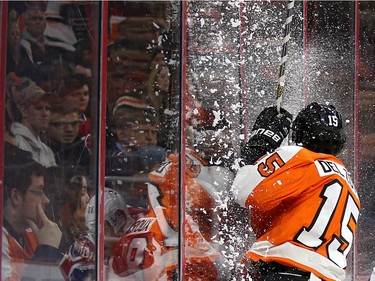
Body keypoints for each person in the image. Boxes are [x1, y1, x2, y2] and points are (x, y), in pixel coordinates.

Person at [232, 103, 360, 281]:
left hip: (288, 270)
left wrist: (260, 143)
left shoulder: (301, 158)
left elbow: (242, 190)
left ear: (300, 133)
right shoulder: (347, 182)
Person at [112, 105, 237, 280]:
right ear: (200, 135)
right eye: (219, 130)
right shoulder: (192, 170)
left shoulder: (178, 164)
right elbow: (183, 218)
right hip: (178, 256)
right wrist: (214, 258)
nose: (228, 138)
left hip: (163, 250)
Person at [2, 143, 63, 281]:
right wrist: (47, 249)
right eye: (39, 191)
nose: (46, 200)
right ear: (16, 196)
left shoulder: (32, 233)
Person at [59, 188, 138, 281]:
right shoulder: (86, 248)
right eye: (95, 229)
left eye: (102, 227)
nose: (97, 236)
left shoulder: (138, 230)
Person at [106, 95, 167, 176]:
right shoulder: (108, 159)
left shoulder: (157, 158)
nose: (150, 138)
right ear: (121, 134)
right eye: (143, 131)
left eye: (153, 132)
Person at [11, 79, 57, 167]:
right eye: (39, 108)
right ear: (24, 110)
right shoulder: (16, 142)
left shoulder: (47, 151)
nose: (45, 114)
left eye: (48, 109)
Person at [44, 102, 91, 172]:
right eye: (61, 124)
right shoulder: (39, 150)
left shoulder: (83, 150)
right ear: (45, 126)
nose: (70, 129)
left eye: (74, 124)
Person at [59, 174, 91, 253]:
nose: (77, 192)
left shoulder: (91, 210)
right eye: (74, 188)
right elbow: (63, 231)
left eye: (82, 189)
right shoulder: (66, 209)